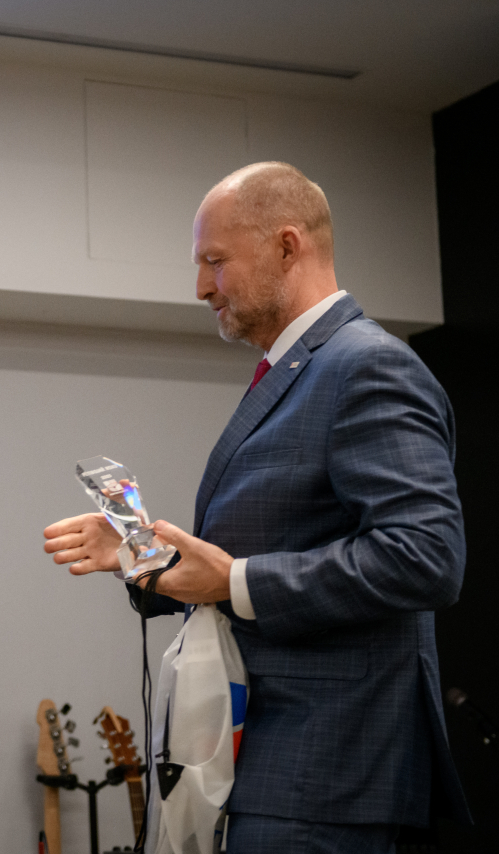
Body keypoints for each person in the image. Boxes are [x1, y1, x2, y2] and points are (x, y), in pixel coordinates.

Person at [42, 162, 470, 853]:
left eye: (215, 261)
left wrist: (235, 581)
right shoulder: (300, 368)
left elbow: (425, 557)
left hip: (328, 766)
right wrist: (144, 554)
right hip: (273, 757)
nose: (201, 287)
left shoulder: (367, 365)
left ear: (287, 246)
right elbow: (272, 545)